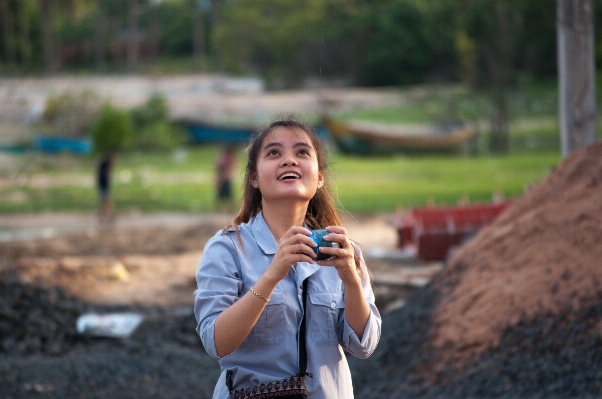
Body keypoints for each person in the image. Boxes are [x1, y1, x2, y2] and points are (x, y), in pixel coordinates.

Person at [194, 119, 381, 398]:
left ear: (319, 178)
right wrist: (272, 274)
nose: (289, 161)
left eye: (302, 152)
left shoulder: (342, 250)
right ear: (254, 178)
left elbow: (363, 345)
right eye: (274, 153)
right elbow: (216, 342)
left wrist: (351, 279)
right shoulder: (227, 250)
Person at [215, 144, 238, 211]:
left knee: (227, 194)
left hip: (225, 177)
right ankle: (221, 208)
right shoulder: (224, 157)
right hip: (224, 177)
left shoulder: (227, 156)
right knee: (223, 194)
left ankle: (230, 208)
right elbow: (220, 167)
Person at [97, 151, 115, 222]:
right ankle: (109, 215)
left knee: (105, 201)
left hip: (105, 185)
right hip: (103, 185)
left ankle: (104, 214)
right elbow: (105, 175)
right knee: (107, 200)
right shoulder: (105, 165)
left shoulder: (104, 164)